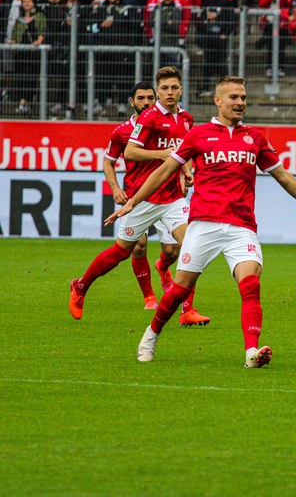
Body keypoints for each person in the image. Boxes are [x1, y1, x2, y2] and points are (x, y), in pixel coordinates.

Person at [106, 76, 296, 367]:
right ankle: (151, 334)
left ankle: (251, 351)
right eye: (234, 97)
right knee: (179, 290)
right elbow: (164, 172)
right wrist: (133, 201)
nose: (240, 102)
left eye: (243, 97)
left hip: (242, 226)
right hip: (204, 225)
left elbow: (283, 177)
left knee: (250, 285)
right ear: (218, 100)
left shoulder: (255, 138)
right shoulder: (198, 135)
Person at [69, 67, 211, 327]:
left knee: (190, 246)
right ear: (158, 91)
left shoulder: (186, 119)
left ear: (181, 89)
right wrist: (161, 155)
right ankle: (80, 287)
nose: (170, 92)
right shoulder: (149, 118)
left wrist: (187, 171)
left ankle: (187, 310)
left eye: (174, 87)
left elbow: (183, 151)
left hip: (172, 198)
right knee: (122, 252)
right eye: (165, 88)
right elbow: (131, 153)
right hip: (142, 196)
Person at [102, 81, 171, 311]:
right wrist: (115, 188)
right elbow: (108, 161)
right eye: (141, 98)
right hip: (137, 195)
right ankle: (149, 297)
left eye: (150, 98)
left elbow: (179, 153)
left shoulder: (165, 125)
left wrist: (184, 175)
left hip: (167, 195)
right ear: (132, 102)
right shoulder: (122, 131)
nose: (146, 102)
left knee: (173, 250)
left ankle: (163, 266)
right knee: (138, 246)